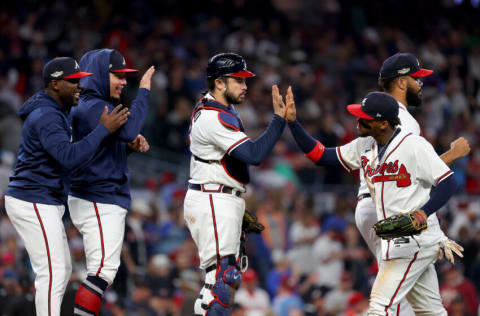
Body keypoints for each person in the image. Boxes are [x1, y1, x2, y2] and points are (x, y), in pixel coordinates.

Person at [286, 90, 458, 315]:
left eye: (365, 118)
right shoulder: (365, 144)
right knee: (430, 311)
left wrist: (423, 214)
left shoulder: (414, 144)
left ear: (383, 123)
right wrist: (293, 123)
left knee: (379, 306)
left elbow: (448, 182)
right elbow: (321, 155)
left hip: (414, 238)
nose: (358, 121)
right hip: (396, 236)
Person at [4, 57, 129, 316]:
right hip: (32, 199)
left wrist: (122, 145)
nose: (79, 86)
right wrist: (103, 130)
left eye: (80, 80)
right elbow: (69, 157)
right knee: (52, 271)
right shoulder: (47, 115)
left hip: (41, 198)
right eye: (72, 82)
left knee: (61, 270)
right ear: (55, 84)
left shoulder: (56, 109)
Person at [354, 53, 469, 315]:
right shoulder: (398, 118)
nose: (421, 83)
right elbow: (405, 175)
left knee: (420, 298)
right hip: (388, 206)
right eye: (417, 78)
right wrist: (452, 155)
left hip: (375, 202)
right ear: (402, 82)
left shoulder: (374, 111)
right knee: (394, 300)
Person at [183, 52, 289, 316]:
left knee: (215, 282)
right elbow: (254, 155)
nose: (245, 86)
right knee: (223, 279)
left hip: (216, 196)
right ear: (219, 83)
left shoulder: (218, 109)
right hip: (213, 198)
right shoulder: (213, 116)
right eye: (238, 80)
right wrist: (278, 121)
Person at [67, 49, 154, 316]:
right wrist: (145, 92)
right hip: (97, 197)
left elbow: (103, 149)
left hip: (98, 195)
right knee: (102, 271)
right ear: (100, 75)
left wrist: (127, 147)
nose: (123, 82)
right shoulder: (92, 105)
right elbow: (128, 128)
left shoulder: (93, 105)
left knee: (103, 272)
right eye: (117, 75)